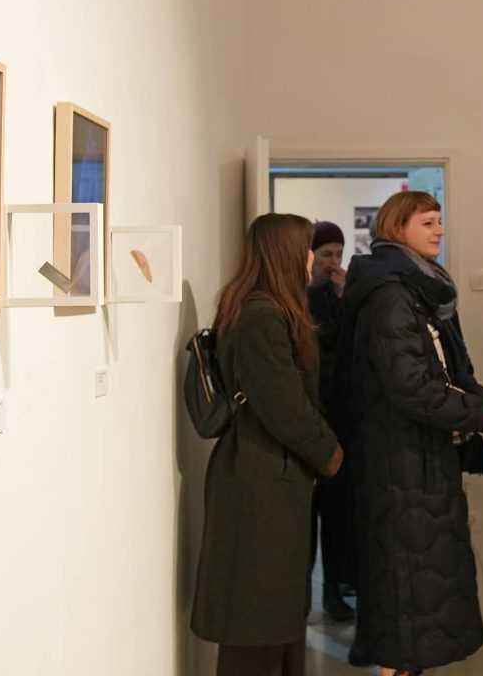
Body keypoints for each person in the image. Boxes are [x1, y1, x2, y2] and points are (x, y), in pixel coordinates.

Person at [338, 191, 483, 676]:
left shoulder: (415, 288)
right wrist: (474, 413)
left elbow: (443, 368)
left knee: (419, 585)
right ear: (398, 227)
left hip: (418, 459)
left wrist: (479, 399)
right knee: (408, 588)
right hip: (401, 463)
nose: (440, 231)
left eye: (439, 221)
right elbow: (409, 385)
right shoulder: (392, 296)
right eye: (428, 222)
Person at [191, 213, 344, 676]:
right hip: (260, 480)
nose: (310, 259)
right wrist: (330, 453)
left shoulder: (264, 309)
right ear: (285, 254)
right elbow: (284, 405)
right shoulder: (261, 315)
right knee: (258, 618)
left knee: (274, 615)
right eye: (306, 249)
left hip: (269, 474)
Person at [307, 221, 356, 622]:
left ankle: (334, 591)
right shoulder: (299, 299)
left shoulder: (338, 295)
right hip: (312, 417)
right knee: (310, 515)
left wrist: (345, 298)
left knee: (338, 516)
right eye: (326, 254)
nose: (333, 262)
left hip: (341, 418)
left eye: (338, 254)